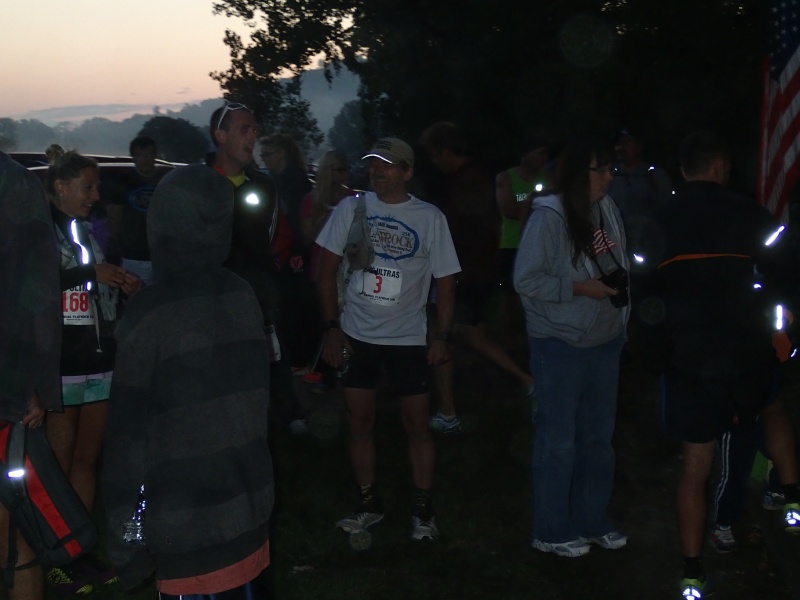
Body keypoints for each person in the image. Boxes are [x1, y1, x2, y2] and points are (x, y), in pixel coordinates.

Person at [629, 130, 800, 599]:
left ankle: (692, 569)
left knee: (695, 465)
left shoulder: (657, 221)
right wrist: (780, 334)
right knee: (768, 411)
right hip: (747, 359)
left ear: (684, 169)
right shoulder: (754, 216)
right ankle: (788, 500)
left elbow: (643, 297)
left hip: (688, 364)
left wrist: (655, 356)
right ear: (722, 167)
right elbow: (784, 280)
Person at [102, 164, 274, 598]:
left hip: (186, 527)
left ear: (163, 225)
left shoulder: (150, 313)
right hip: (247, 509)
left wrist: (124, 535)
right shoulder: (241, 294)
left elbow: (127, 437)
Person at [315, 137, 461, 540]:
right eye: (373, 164)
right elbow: (325, 271)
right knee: (359, 421)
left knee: (417, 424)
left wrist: (441, 335)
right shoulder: (351, 209)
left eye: (387, 165)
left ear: (407, 172)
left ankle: (423, 509)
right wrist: (331, 328)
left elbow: (447, 281)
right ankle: (368, 503)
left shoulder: (429, 217)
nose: (376, 171)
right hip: (356, 334)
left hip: (408, 339)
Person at [514, 135, 629, 559]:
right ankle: (550, 528)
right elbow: (525, 280)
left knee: (598, 438)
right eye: (603, 169)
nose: (610, 176)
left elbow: (616, 261)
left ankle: (591, 519)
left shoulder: (606, 209)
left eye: (611, 168)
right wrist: (581, 288)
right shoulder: (549, 217)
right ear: (580, 174)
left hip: (605, 340)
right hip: (560, 342)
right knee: (559, 440)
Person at [45, 150, 140, 593]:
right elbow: (34, 285)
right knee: (58, 468)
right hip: (61, 365)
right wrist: (89, 273)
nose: (96, 195)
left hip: (100, 361)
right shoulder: (37, 229)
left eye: (96, 186)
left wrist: (121, 283)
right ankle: (54, 557)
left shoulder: (89, 229)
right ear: (60, 186)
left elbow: (96, 282)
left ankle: (79, 553)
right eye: (88, 186)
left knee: (86, 462)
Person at [419, 122, 533, 433]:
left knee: (440, 335)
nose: (433, 162)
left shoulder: (466, 183)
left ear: (446, 151)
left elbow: (463, 233)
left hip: (462, 274)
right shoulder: (473, 177)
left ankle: (447, 412)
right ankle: (526, 381)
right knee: (470, 334)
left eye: (434, 155)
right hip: (474, 272)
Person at [209, 101, 308, 435]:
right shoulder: (200, 184)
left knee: (272, 355)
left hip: (257, 292)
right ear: (221, 135)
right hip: (212, 295)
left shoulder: (263, 185)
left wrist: (269, 268)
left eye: (254, 129)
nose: (252, 136)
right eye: (244, 129)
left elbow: (277, 235)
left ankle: (285, 414)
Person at [0, 151, 62, 600]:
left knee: (14, 526)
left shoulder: (16, 186)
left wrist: (34, 385)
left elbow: (38, 294)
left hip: (8, 387)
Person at [259, 134, 318, 371]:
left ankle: (299, 358)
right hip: (283, 251)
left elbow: (297, 222)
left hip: (294, 252)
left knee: (294, 305)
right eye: (262, 155)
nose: (264, 159)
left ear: (282, 153)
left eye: (268, 154)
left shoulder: (296, 183)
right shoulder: (277, 180)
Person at [104, 136, 171, 286]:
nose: (144, 160)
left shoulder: (166, 180)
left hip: (163, 254)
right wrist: (115, 243)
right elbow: (114, 215)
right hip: (133, 255)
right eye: (140, 155)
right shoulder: (124, 182)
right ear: (133, 157)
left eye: (148, 155)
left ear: (155, 155)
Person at [606, 129, 672, 249]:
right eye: (618, 143)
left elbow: (667, 210)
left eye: (627, 143)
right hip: (616, 245)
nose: (621, 147)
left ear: (639, 147)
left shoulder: (654, 175)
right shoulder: (608, 177)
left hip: (648, 244)